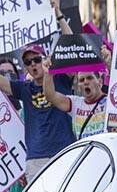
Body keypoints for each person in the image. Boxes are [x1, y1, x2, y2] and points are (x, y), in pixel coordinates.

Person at [0, 44, 75, 180]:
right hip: (36, 159)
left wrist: (60, 21)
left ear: (45, 59)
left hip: (64, 152)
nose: (33, 64)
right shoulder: (24, 89)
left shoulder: (60, 79)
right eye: (28, 62)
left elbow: (70, 43)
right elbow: (2, 83)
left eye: (37, 59)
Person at [41, 66, 107, 140]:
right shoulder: (75, 103)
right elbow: (50, 96)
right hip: (86, 150)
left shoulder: (110, 103)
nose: (85, 82)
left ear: (100, 82)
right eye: (82, 80)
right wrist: (48, 74)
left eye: (90, 78)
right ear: (79, 87)